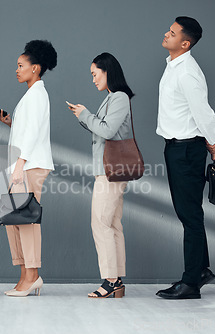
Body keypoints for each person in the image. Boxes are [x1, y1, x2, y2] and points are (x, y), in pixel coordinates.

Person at [155, 16, 215, 299]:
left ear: (185, 43)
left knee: (190, 216)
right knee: (190, 214)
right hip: (177, 148)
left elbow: (203, 112)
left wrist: (214, 145)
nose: (166, 34)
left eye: (172, 33)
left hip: (186, 149)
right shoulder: (174, 65)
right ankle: (201, 270)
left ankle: (190, 283)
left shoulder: (187, 72)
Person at [68, 53, 134, 298]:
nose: (93, 79)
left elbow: (107, 130)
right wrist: (84, 117)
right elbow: (103, 129)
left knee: (100, 222)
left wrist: (85, 114)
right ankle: (116, 280)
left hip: (110, 170)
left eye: (95, 74)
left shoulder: (119, 97)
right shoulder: (111, 98)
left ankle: (110, 280)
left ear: (107, 71)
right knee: (113, 224)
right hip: (108, 170)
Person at [0, 40, 57, 297]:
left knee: (27, 222)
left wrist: (19, 166)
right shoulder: (31, 95)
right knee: (15, 222)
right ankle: (24, 275)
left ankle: (32, 276)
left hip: (29, 166)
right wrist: (10, 122)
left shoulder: (38, 95)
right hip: (23, 165)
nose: (17, 70)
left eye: (21, 66)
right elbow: (28, 131)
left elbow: (31, 135)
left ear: (36, 68)